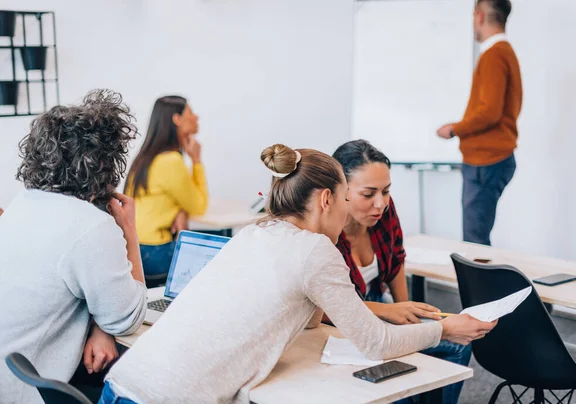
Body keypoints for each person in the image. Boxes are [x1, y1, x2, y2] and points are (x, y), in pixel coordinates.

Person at [101, 144, 496, 403]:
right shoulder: (315, 250)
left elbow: (307, 324)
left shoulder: (255, 232)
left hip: (122, 384)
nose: (347, 211)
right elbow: (375, 343)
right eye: (346, 200)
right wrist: (446, 329)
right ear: (326, 200)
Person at [0, 89, 147, 404]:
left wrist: (100, 328)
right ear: (104, 161)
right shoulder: (91, 226)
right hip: (29, 393)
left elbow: (67, 287)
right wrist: (129, 229)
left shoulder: (23, 203)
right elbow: (127, 318)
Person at [332, 139, 471, 404]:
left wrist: (405, 309)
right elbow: (327, 309)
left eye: (386, 191)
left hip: (376, 305)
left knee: (458, 343)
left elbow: (396, 260)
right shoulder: (323, 230)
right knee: (401, 386)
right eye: (369, 193)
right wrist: (390, 313)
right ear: (340, 189)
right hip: (344, 324)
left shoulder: (382, 209)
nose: (380, 203)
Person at [437, 0, 522, 246]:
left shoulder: (495, 55)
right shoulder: (503, 53)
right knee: (476, 238)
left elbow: (489, 112)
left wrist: (455, 129)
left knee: (474, 242)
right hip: (490, 160)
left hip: (486, 161)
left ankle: (479, 286)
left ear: (479, 17)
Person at [125, 96, 208, 282]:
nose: (196, 117)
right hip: (156, 253)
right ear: (177, 119)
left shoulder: (147, 157)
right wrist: (196, 160)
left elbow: (174, 200)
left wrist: (181, 211)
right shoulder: (170, 161)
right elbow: (199, 206)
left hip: (135, 250)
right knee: (219, 254)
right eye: (190, 112)